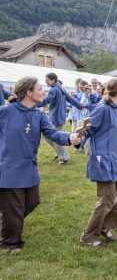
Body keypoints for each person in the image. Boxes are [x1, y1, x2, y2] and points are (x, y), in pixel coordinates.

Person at [0, 77, 80, 252]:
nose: (43, 92)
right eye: (39, 89)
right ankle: (10, 242)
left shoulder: (39, 114)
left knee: (32, 202)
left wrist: (69, 137)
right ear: (29, 92)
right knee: (14, 207)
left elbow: (52, 132)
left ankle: (7, 222)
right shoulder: (5, 111)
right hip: (8, 167)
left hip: (29, 167)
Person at [80, 78, 117, 247]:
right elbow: (89, 130)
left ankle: (105, 227)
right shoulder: (102, 108)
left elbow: (114, 134)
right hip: (104, 161)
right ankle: (88, 236)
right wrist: (77, 140)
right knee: (105, 201)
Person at [38, 73, 84, 165]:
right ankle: (60, 153)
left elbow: (47, 101)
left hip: (55, 117)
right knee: (52, 136)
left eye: (47, 80)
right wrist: (80, 106)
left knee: (54, 137)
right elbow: (71, 99)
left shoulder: (53, 90)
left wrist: (33, 103)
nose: (45, 82)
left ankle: (63, 157)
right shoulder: (60, 88)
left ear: (53, 80)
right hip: (61, 116)